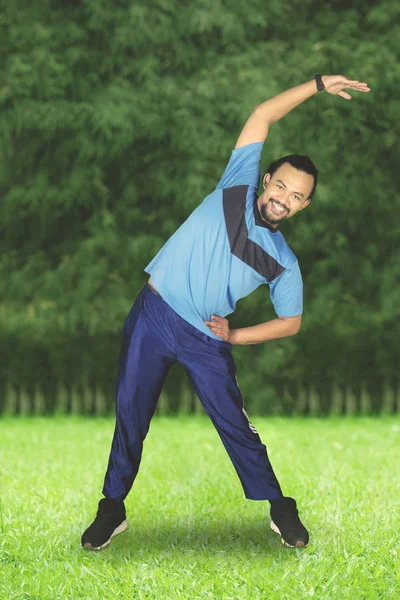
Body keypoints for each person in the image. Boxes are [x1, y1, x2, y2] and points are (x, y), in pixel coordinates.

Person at [81, 74, 370, 551]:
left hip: (206, 339)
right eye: (281, 186)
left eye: (298, 196)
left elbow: (291, 322)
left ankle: (280, 506)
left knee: (235, 425)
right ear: (266, 179)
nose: (285, 198)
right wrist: (317, 85)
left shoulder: (283, 262)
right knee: (130, 411)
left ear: (304, 205)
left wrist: (236, 337)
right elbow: (262, 114)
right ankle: (112, 506)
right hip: (153, 314)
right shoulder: (233, 187)